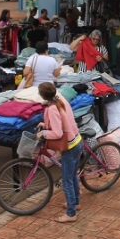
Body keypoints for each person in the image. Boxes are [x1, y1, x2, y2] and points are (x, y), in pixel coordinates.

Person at [36, 83, 82, 223]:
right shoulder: (61, 100)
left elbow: (57, 133)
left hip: (69, 147)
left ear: (42, 96)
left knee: (67, 180)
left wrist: (43, 133)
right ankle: (75, 203)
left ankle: (71, 213)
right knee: (72, 175)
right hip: (76, 141)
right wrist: (46, 125)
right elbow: (63, 121)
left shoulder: (51, 109)